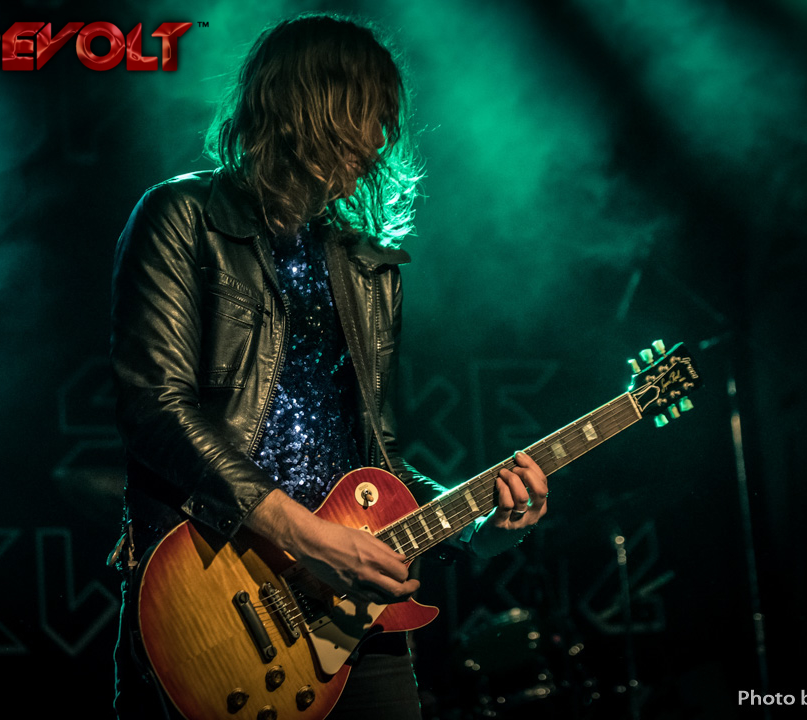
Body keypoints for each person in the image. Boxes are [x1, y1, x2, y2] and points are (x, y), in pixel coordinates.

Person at [108, 14, 548, 719]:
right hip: (217, 594)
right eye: (368, 116)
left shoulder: (366, 265)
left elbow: (378, 458)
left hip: (349, 611)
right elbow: (154, 408)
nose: (378, 143)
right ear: (313, 109)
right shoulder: (181, 216)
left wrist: (476, 525)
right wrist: (306, 537)